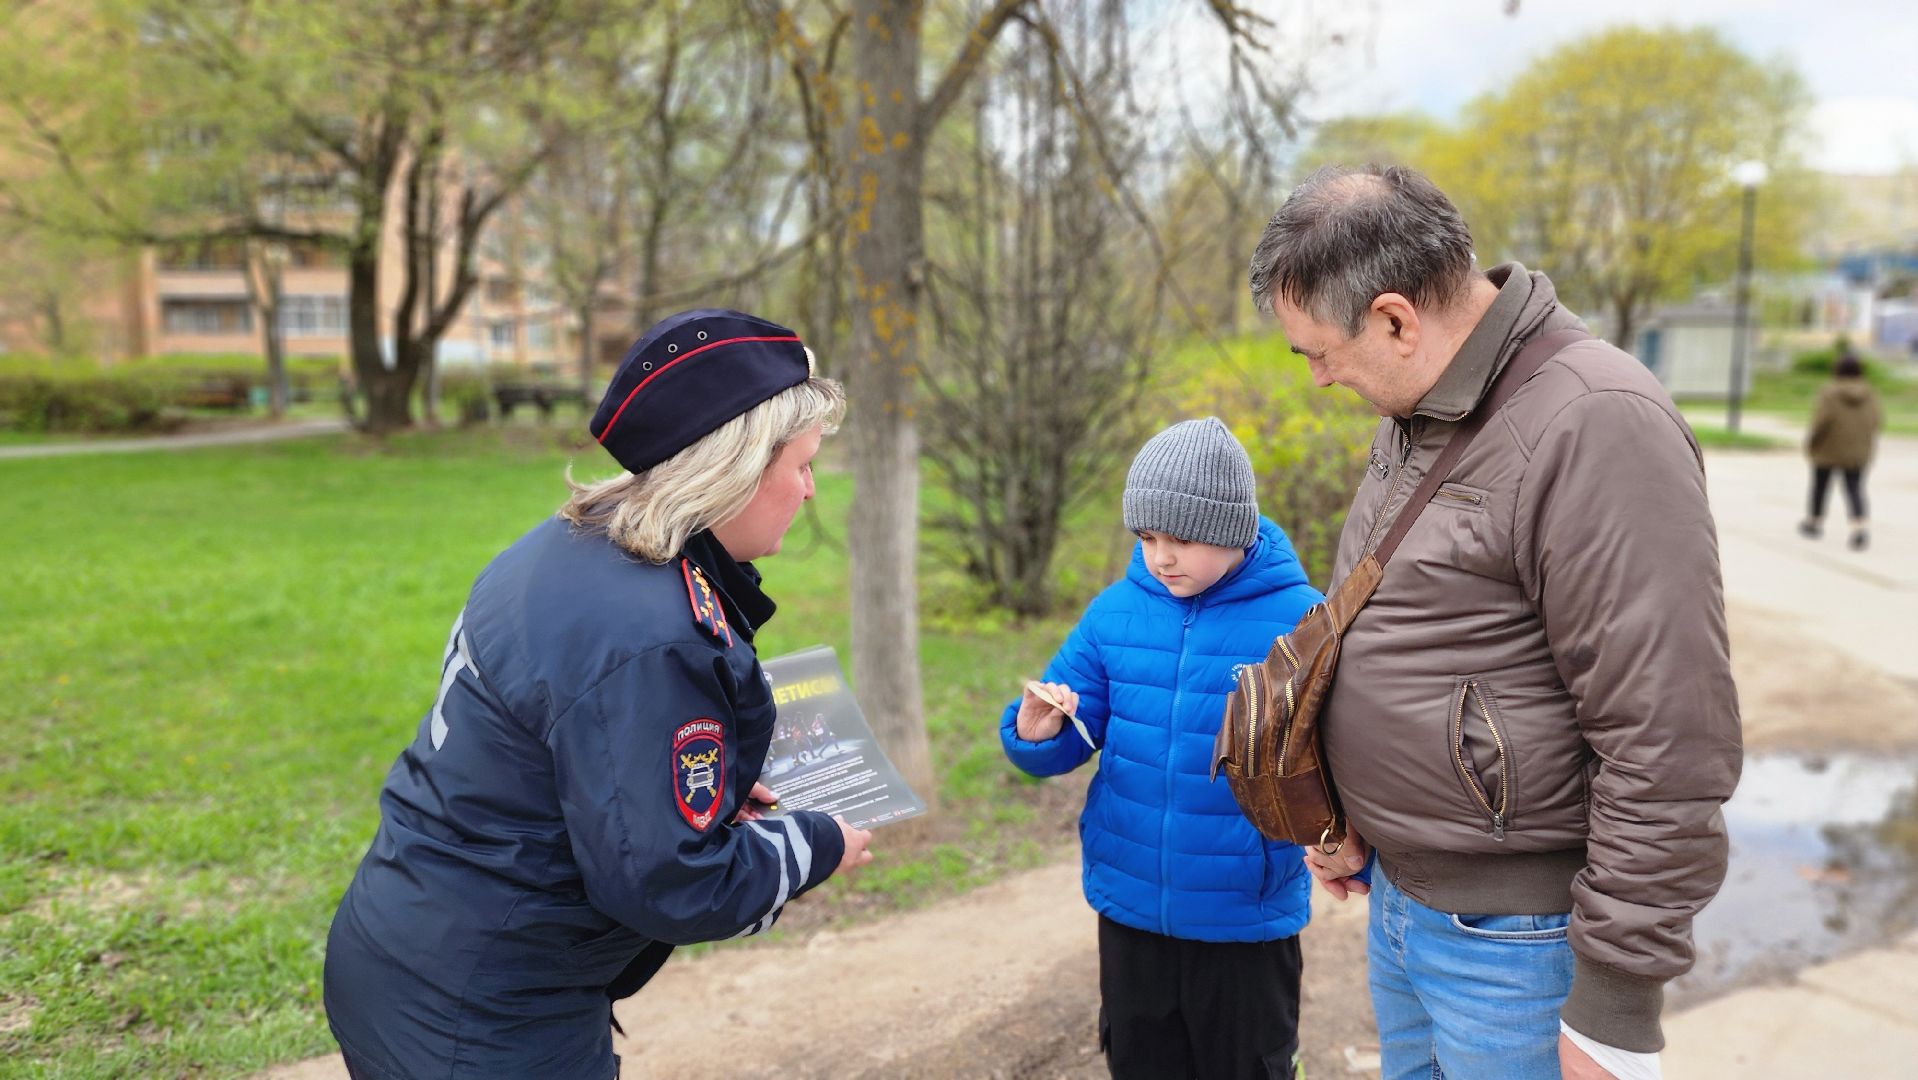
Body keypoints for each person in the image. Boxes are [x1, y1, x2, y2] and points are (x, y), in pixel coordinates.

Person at [1246, 165, 1741, 1080]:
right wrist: (1351, 815)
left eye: (1318, 352)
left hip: (1519, 946)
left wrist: (1613, 1013)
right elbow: (1417, 638)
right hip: (1404, 904)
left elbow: (1667, 738)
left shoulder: (1595, 421)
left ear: (1395, 319)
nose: (1318, 379)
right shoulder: (1422, 407)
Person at [322, 309, 874, 1080]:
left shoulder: (570, 543)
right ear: (738, 468)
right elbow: (667, 882)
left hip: (412, 942)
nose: (811, 490)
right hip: (486, 1012)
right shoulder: (657, 630)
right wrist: (816, 846)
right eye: (803, 464)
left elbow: (571, 753)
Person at [1000, 417, 1325, 1080]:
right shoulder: (1114, 614)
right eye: (1147, 537)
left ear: (1233, 530)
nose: (1161, 556)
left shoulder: (1301, 621)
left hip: (1246, 918)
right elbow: (1067, 734)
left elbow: (1344, 754)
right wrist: (1036, 729)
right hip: (1131, 906)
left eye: (1181, 538)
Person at [1798, 344, 1882, 551]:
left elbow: (1821, 421)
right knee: (1854, 489)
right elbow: (1877, 420)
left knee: (1820, 487)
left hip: (1828, 449)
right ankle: (1859, 528)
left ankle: (1815, 523)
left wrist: (1811, 442)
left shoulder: (1829, 392)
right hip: (1858, 451)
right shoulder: (1870, 393)